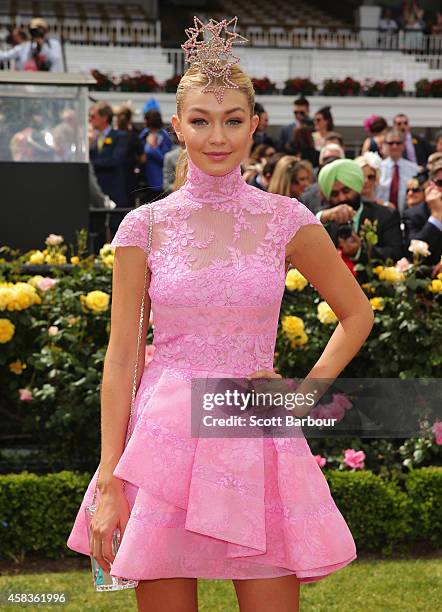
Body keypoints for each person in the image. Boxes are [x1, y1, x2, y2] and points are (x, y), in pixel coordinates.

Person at [67, 17, 373, 611]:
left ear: (255, 125)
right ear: (178, 126)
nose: (217, 136)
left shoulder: (287, 219)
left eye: (233, 120)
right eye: (201, 121)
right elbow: (122, 357)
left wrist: (301, 395)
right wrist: (109, 478)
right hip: (160, 443)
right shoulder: (144, 226)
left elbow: (356, 314)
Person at [316, 159, 404, 264]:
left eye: (346, 191)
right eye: (334, 194)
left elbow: (395, 254)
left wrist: (359, 251)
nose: (342, 198)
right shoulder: (324, 218)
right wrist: (323, 217)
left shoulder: (386, 215)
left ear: (357, 188)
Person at [89, 101, 129, 235]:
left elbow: (115, 160)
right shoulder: (89, 139)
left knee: (115, 229)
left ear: (104, 117)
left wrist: (90, 164)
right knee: (96, 229)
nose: (90, 120)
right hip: (95, 190)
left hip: (113, 189)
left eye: (93, 116)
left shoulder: (119, 137)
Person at [402, 162, 442, 265]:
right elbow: (414, 254)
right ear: (430, 185)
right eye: (440, 183)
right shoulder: (413, 215)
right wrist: (436, 216)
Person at [377, 129, 419, 216]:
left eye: (398, 143)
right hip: (381, 216)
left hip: (406, 216)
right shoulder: (377, 168)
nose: (395, 146)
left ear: (403, 145)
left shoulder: (414, 169)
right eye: (391, 143)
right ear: (384, 145)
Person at [114, 104, 145, 207]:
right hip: (129, 176)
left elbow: (142, 158)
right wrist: (136, 166)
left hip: (118, 176)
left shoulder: (114, 136)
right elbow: (143, 158)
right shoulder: (134, 136)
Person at [139, 109, 172, 201]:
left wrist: (153, 148)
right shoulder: (144, 134)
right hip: (143, 178)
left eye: (145, 119)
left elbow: (164, 159)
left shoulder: (164, 136)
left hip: (157, 180)